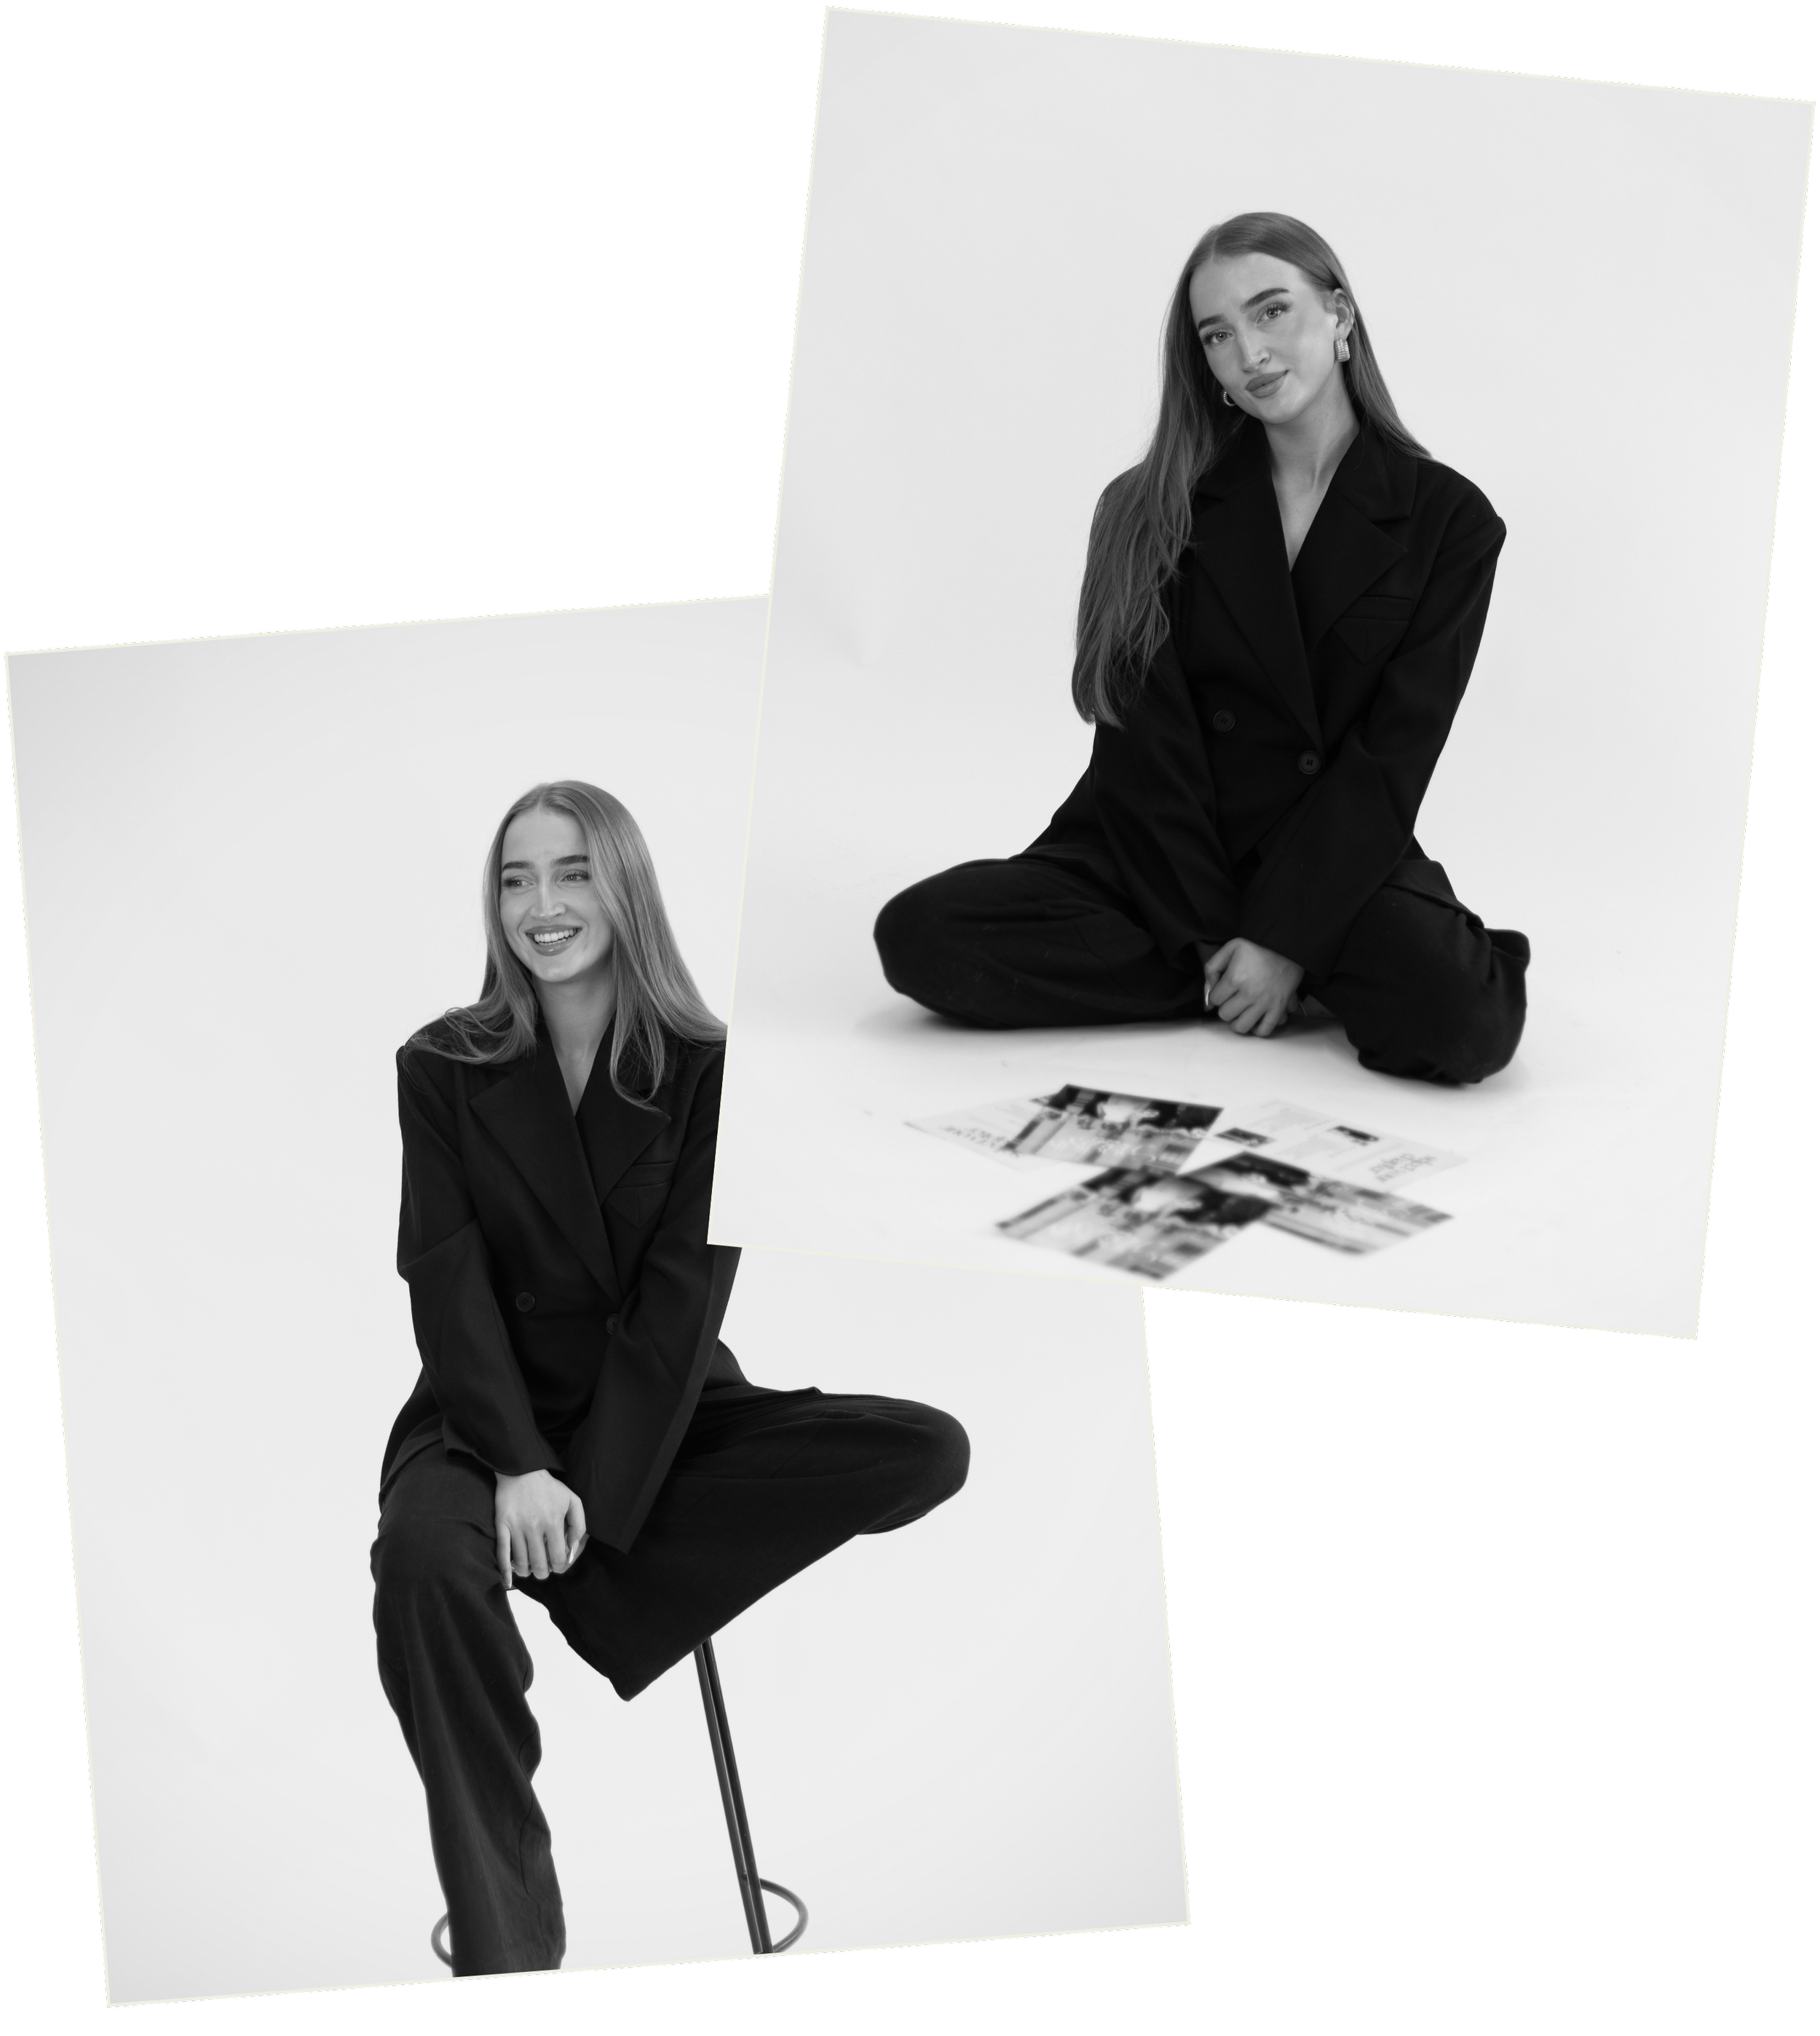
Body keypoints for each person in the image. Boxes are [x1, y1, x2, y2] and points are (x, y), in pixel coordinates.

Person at [371, 780, 969, 1978]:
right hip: (484, 1416)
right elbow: (445, 1279)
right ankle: (510, 1936)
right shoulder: (442, 1062)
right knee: (424, 1563)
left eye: (573, 871)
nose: (542, 904)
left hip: (665, 1407)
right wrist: (525, 1469)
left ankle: (602, 1571)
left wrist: (591, 1498)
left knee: (923, 1449)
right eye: (516, 877)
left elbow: (679, 1305)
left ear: (626, 884)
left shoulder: (707, 1069)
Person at [874, 213, 1530, 1085]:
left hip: (1327, 849)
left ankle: (1247, 977)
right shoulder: (1144, 506)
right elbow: (1143, 753)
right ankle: (1237, 979)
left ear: (1340, 316)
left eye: (1271, 313)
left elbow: (1393, 756)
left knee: (1464, 1026)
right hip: (1153, 846)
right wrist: (1227, 939)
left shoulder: (1448, 520)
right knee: (921, 935)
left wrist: (1289, 934)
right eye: (1217, 335)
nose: (1248, 353)